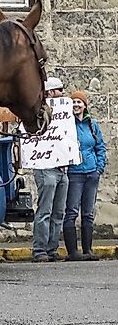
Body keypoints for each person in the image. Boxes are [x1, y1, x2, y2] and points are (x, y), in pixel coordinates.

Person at [30, 77, 71, 262]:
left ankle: (52, 249)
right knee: (45, 210)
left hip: (62, 168)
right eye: (59, 90)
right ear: (50, 93)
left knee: (59, 212)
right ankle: (40, 250)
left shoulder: (65, 114)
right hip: (45, 167)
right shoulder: (37, 112)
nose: (62, 93)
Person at [64, 90, 107, 262]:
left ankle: (88, 249)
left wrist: (99, 168)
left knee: (88, 213)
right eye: (73, 102)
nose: (76, 105)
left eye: (79, 102)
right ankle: (73, 252)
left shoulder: (92, 124)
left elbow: (100, 146)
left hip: (91, 173)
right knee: (72, 211)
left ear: (85, 105)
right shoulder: (67, 125)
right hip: (74, 173)